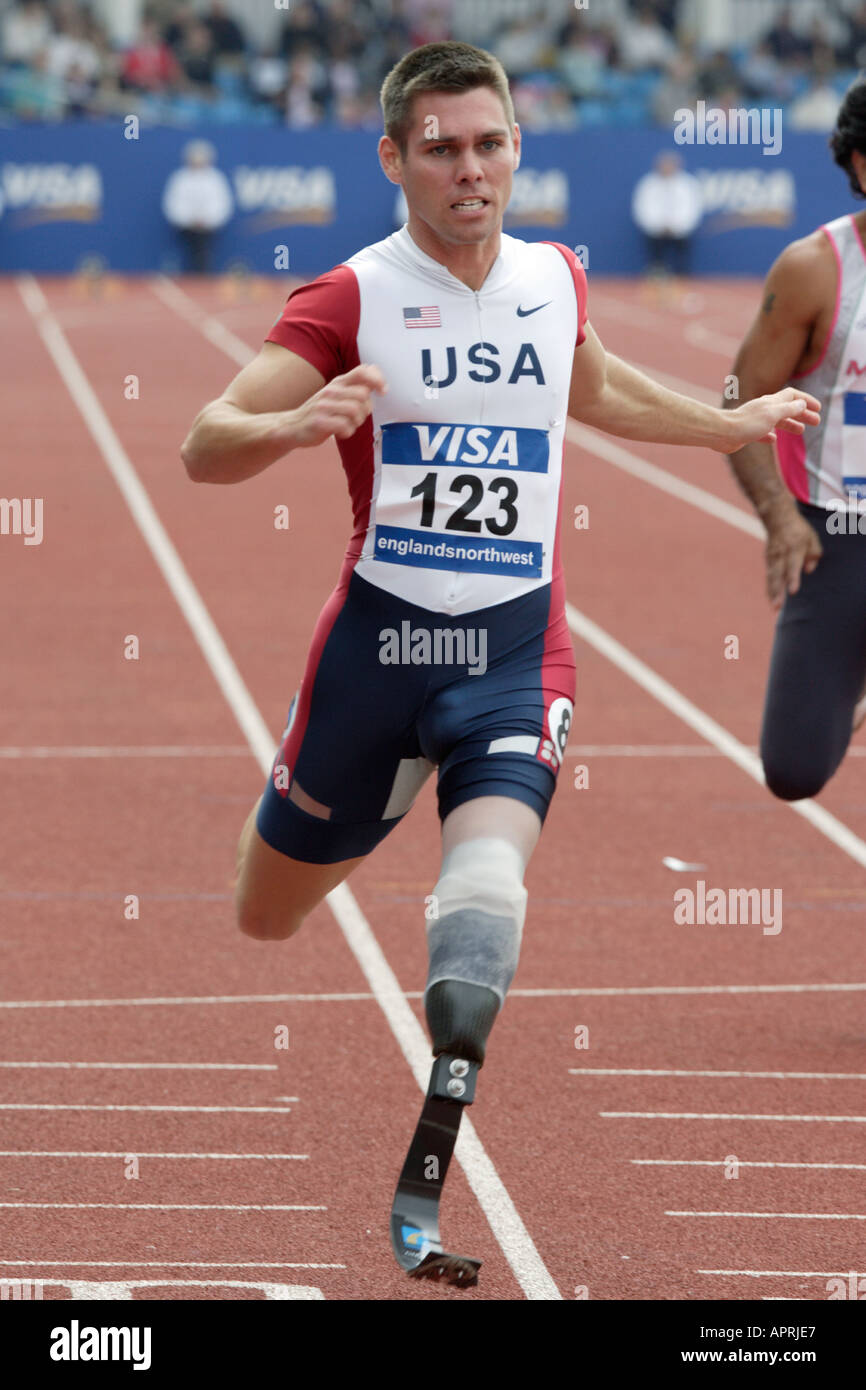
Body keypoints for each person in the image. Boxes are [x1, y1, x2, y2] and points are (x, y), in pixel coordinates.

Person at [179, 40, 817, 1273]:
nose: (468, 170)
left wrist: (720, 423)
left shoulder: (552, 276)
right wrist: (288, 423)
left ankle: (433, 1134)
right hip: (373, 655)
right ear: (393, 159)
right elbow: (206, 440)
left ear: (516, 147)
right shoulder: (348, 297)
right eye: (439, 148)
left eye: (488, 144)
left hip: (517, 652)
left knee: (486, 892)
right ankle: (385, 783)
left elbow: (589, 386)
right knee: (266, 915)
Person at [723, 75, 866, 802]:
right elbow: (736, 403)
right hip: (838, 536)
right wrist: (780, 516)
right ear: (862, 166)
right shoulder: (815, 272)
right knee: (795, 769)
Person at [161, 140, 233, 273]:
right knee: (191, 249)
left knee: (202, 250)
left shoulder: (215, 178)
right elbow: (173, 204)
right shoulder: (180, 178)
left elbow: (222, 205)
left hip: (209, 228)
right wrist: (189, 220)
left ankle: (203, 277)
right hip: (185, 228)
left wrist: (208, 220)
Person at [631, 151, 703, 278]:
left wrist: (677, 226)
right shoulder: (648, 183)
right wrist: (657, 226)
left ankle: (683, 280)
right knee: (656, 262)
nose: (667, 168)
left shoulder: (687, 184)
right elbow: (642, 207)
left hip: (681, 231)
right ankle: (656, 279)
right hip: (655, 231)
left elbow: (692, 208)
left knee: (682, 260)